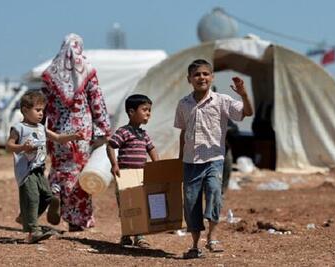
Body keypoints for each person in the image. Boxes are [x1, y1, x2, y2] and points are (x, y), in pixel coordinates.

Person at [174, 59, 253, 259]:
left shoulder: (222, 101)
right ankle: (194, 245)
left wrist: (243, 94)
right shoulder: (184, 104)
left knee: (215, 195)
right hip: (191, 162)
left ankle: (212, 237)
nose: (202, 77)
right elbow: (183, 132)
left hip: (214, 159)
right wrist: (180, 157)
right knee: (191, 203)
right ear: (189, 79)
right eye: (197, 75)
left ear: (212, 77)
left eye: (205, 74)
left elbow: (247, 112)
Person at [42, 33, 111, 232]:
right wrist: (104, 128)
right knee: (79, 172)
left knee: (59, 167)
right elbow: (97, 101)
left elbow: (42, 104)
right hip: (81, 129)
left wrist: (39, 128)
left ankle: (54, 191)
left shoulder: (50, 73)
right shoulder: (87, 71)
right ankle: (77, 219)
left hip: (56, 128)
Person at [6, 89, 84, 244]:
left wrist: (74, 136)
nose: (41, 114)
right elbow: (9, 146)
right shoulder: (19, 128)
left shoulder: (41, 128)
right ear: (25, 110)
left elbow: (58, 138)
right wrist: (23, 147)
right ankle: (32, 232)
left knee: (48, 196)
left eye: (43, 110)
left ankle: (25, 217)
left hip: (40, 171)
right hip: (26, 172)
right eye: (38, 110)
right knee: (32, 199)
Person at [106, 94, 159, 248]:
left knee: (140, 204)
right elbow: (110, 145)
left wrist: (158, 165)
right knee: (126, 206)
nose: (148, 113)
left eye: (149, 110)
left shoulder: (143, 134)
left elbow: (152, 149)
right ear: (131, 112)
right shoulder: (124, 131)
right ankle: (126, 234)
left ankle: (140, 236)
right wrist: (114, 164)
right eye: (144, 109)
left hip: (141, 175)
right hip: (125, 174)